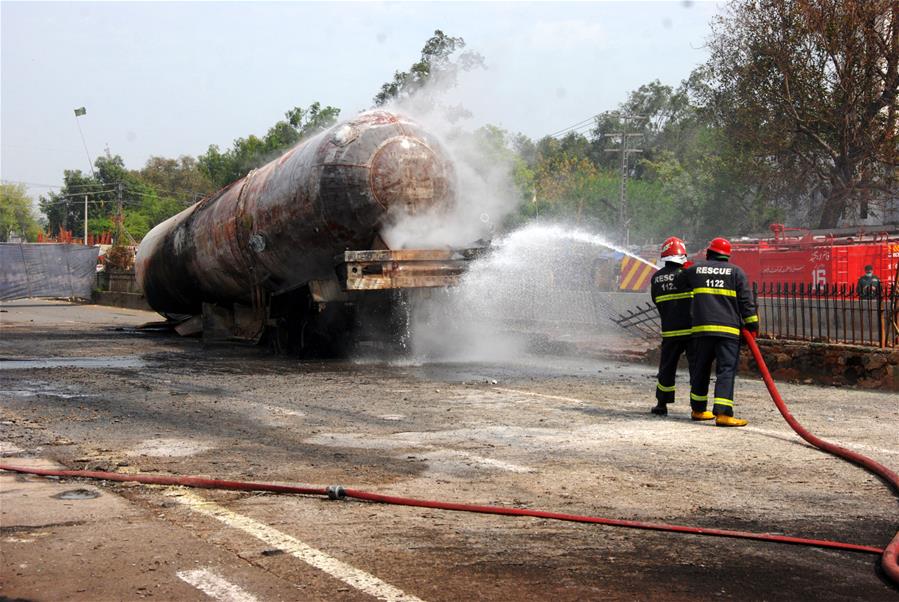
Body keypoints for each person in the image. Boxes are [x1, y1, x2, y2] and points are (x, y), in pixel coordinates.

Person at [682, 237, 758, 427]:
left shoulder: (696, 270)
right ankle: (723, 414)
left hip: (702, 331)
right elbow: (747, 303)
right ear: (727, 256)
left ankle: (698, 410)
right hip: (728, 332)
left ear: (708, 253)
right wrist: (752, 326)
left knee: (700, 370)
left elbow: (680, 280)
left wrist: (688, 267)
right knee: (726, 371)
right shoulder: (737, 273)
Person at [649, 236, 693, 416]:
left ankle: (661, 404)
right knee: (696, 368)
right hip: (691, 330)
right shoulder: (687, 275)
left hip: (669, 330)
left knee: (666, 368)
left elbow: (656, 300)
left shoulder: (656, 278)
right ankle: (697, 407)